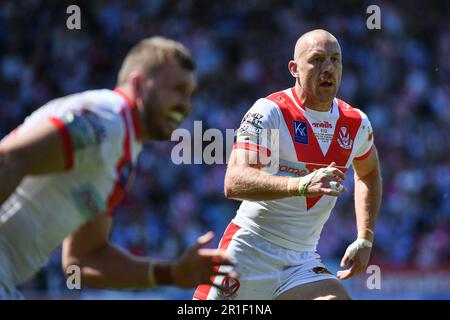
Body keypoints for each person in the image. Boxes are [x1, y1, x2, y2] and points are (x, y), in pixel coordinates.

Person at [0, 36, 235, 299]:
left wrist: (171, 273)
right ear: (138, 84)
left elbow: (83, 259)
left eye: (190, 94)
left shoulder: (123, 155)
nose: (186, 105)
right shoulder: (107, 119)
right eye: (178, 89)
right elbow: (9, 158)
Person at [194, 29, 382, 300]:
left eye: (335, 60)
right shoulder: (271, 111)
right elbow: (234, 181)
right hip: (249, 250)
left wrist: (365, 236)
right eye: (317, 60)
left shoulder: (355, 123)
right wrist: (300, 184)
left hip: (301, 260)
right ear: (294, 68)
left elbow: (369, 172)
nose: (328, 68)